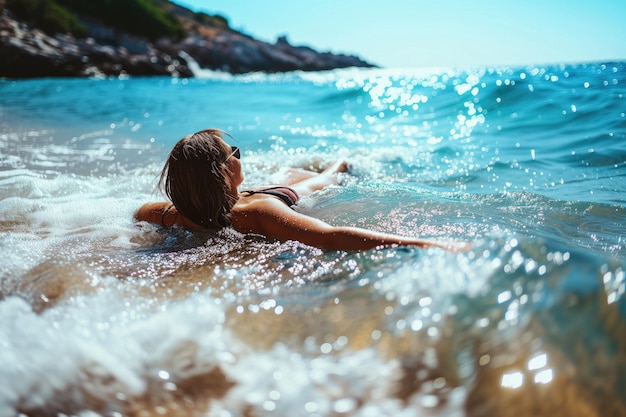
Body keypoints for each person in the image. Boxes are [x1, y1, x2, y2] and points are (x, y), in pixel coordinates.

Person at [135, 128, 469, 252]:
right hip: (279, 194)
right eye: (233, 154)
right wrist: (431, 243)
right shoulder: (258, 212)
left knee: (294, 173)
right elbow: (330, 236)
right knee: (331, 173)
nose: (238, 157)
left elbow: (136, 215)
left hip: (263, 190)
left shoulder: (164, 213)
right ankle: (343, 161)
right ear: (223, 170)